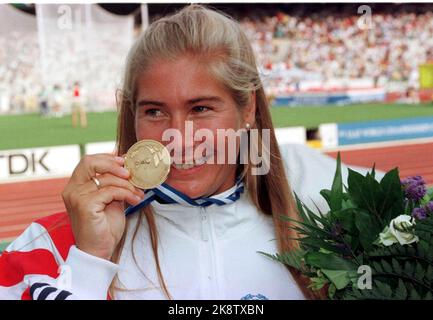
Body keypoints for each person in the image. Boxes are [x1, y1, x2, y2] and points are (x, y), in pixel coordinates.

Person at [0, 5, 364, 300]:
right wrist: (90, 264)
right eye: (155, 111)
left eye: (201, 108)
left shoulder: (329, 235)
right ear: (133, 115)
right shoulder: (45, 246)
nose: (178, 137)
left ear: (248, 109)